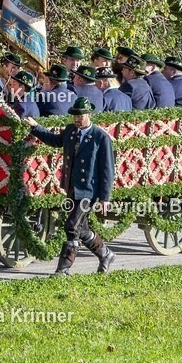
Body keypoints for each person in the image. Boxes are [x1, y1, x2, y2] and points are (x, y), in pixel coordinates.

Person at [26, 97, 116, 276]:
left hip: (89, 192)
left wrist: (105, 198)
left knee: (72, 226)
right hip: (72, 188)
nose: (77, 119)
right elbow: (54, 141)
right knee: (81, 229)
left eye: (80, 115)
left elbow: (107, 170)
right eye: (75, 115)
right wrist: (36, 127)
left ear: (89, 114)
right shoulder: (70, 131)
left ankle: (63, 269)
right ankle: (105, 254)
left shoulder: (101, 137)